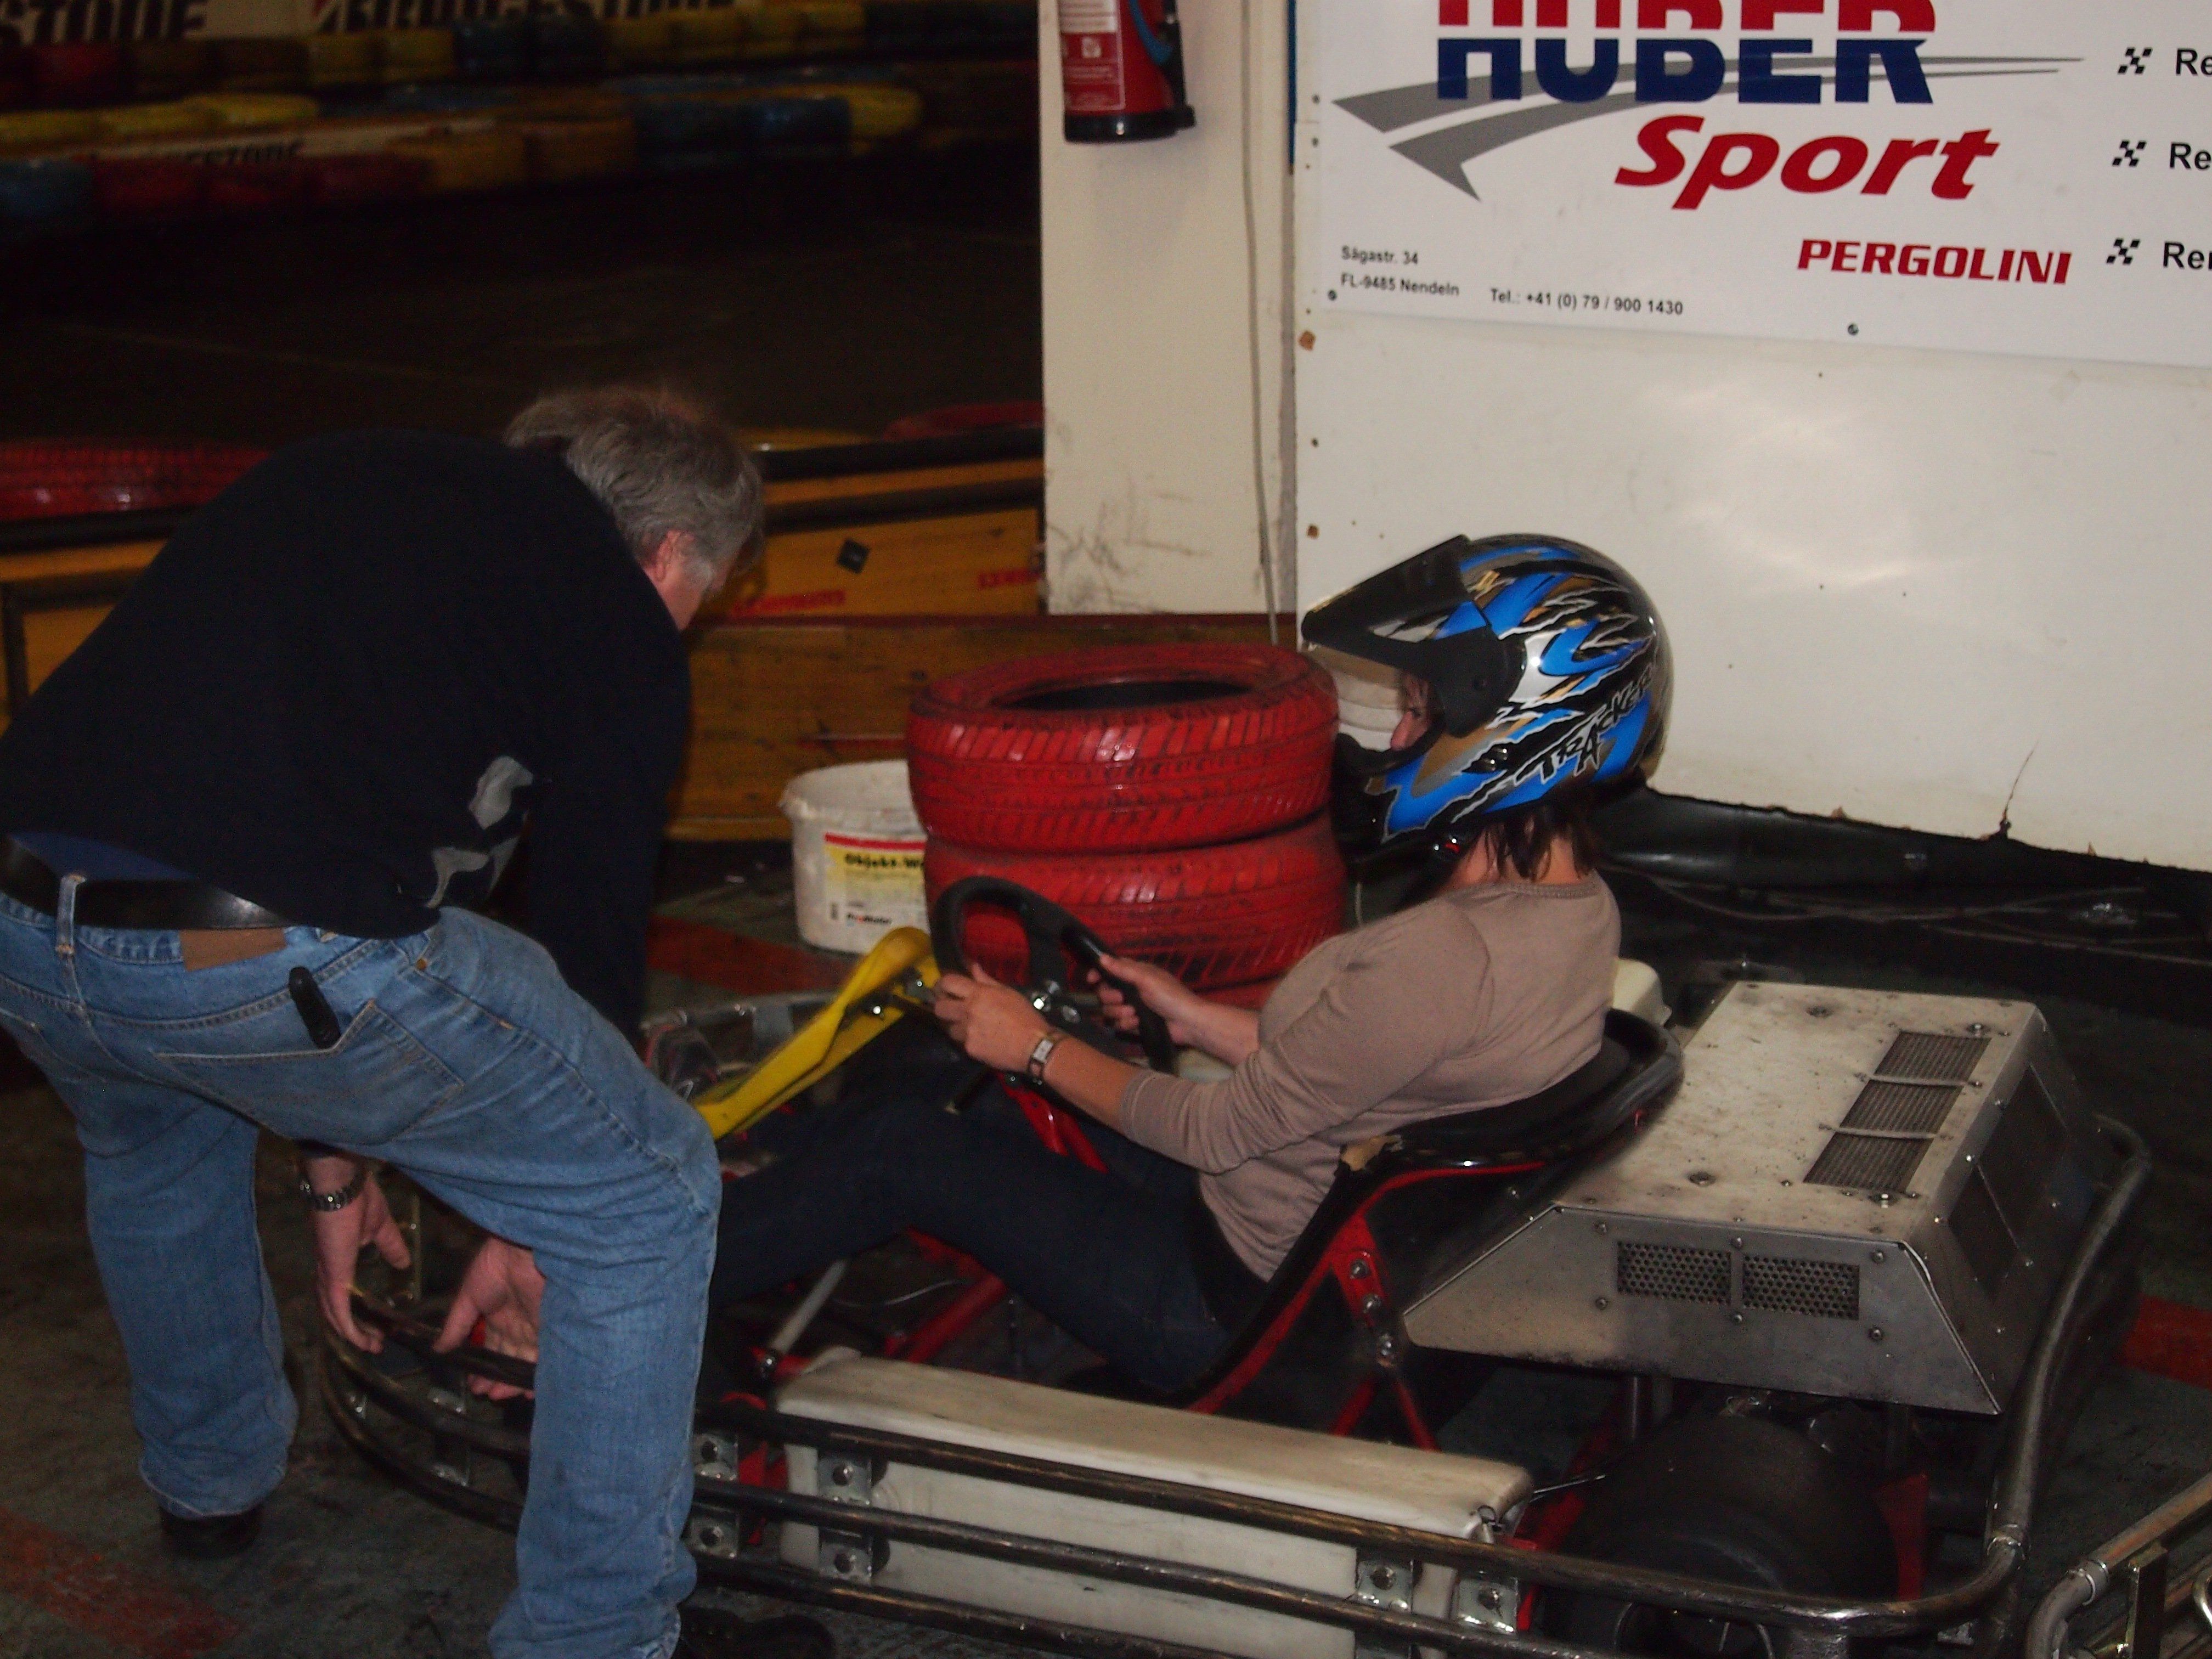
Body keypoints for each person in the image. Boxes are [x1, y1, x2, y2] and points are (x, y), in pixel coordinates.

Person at [0, 390, 823, 1659]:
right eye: (703, 595)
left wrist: (338, 1171)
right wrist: (542, 1212)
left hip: (28, 920)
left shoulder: (352, 475)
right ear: (671, 551)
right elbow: (589, 949)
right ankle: (597, 1637)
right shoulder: (616, 619)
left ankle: (210, 1486)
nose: (690, 625)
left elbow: (299, 811)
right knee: (646, 1190)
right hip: (260, 945)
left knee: (152, 1139)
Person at [697, 534, 1672, 1392]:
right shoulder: (1579, 910)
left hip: (1225, 1301)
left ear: (1514, 730)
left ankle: (639, 1288)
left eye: (1421, 712)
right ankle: (737, 1199)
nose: (1403, 738)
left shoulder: (1445, 955)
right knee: (956, 1081)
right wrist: (1194, 1015)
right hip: (1304, 1234)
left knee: (901, 1146)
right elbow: (1377, 1066)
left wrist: (1036, 1046)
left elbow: (1217, 1132)